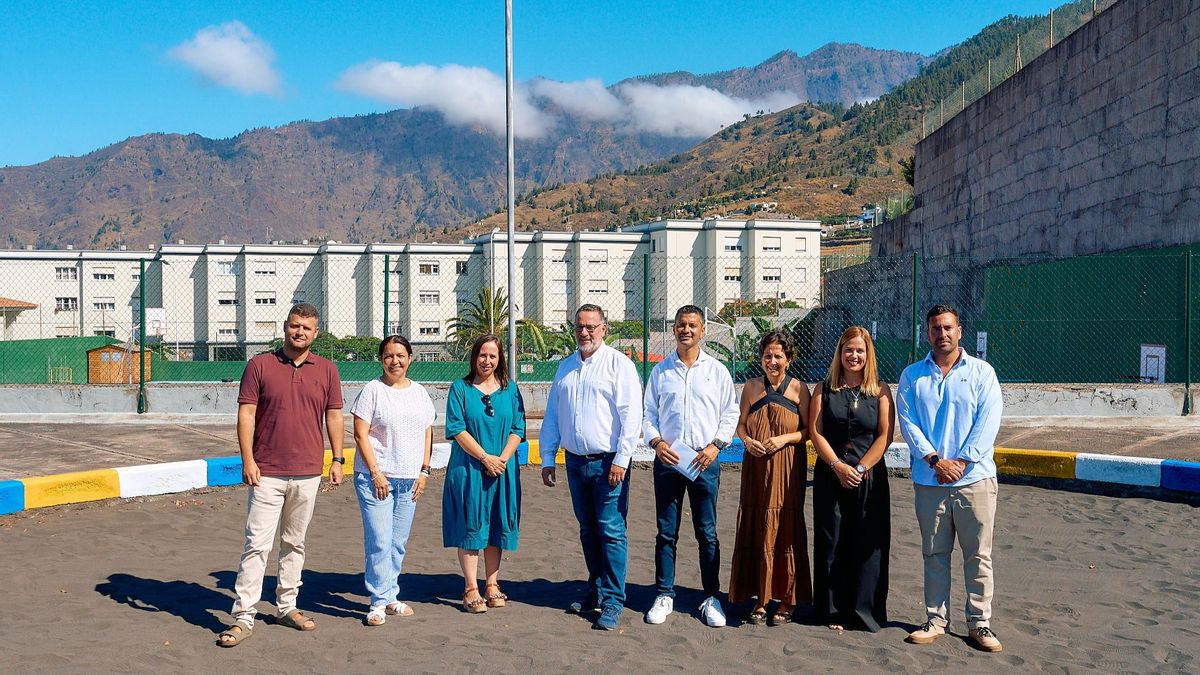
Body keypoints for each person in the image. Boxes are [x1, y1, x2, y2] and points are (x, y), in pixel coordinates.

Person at [218, 303, 344, 647]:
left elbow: (333, 416)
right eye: (294, 325)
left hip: (307, 473)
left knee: (294, 543)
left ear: (316, 333)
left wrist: (337, 459)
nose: (299, 331)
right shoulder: (260, 365)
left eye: (306, 327)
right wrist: (248, 459)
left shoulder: (328, 370)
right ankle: (244, 616)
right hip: (267, 472)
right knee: (256, 545)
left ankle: (286, 606)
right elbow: (246, 415)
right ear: (285, 327)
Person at [898, 304, 1004, 653]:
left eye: (947, 328)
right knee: (934, 552)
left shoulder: (982, 373)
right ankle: (936, 619)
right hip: (930, 481)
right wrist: (935, 460)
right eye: (934, 328)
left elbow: (987, 423)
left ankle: (979, 623)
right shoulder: (912, 376)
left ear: (960, 331)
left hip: (975, 481)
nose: (941, 334)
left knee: (978, 555)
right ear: (926, 333)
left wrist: (959, 461)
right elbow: (909, 424)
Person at [540, 304, 642, 631]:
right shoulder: (566, 368)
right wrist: (546, 457)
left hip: (609, 462)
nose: (584, 332)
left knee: (611, 530)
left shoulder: (619, 366)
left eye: (591, 326)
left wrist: (623, 459)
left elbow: (631, 416)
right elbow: (554, 415)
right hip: (574, 462)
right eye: (579, 326)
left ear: (604, 328)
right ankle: (595, 588)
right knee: (587, 529)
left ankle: (612, 600)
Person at [642, 305, 738, 627]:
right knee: (666, 533)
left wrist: (715, 446)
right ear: (673, 330)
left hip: (704, 461)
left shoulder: (717, 371)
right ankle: (665, 593)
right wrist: (656, 442)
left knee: (707, 533)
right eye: (681, 325)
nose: (686, 330)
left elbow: (730, 414)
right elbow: (648, 415)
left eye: (693, 325)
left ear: (703, 330)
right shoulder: (661, 372)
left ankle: (712, 597)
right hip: (668, 460)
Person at [809, 326, 894, 633]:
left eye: (860, 350)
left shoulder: (880, 390)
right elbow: (815, 431)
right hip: (831, 474)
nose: (853, 355)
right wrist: (836, 466)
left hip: (868, 477)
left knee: (867, 543)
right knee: (831, 541)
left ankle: (864, 611)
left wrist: (858, 469)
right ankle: (832, 611)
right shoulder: (824, 388)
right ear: (839, 353)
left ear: (868, 354)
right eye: (848, 350)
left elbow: (884, 435)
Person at [350, 335, 436, 627]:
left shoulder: (420, 393)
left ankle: (390, 596)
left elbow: (427, 431)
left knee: (397, 542)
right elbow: (360, 433)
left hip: (409, 479)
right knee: (379, 540)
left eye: (401, 355)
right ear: (381, 359)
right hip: (376, 479)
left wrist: (424, 471)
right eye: (388, 355)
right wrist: (376, 473)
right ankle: (376, 601)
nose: (395, 361)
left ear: (410, 358)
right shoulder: (372, 390)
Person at [728, 329, 812, 626]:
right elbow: (740, 425)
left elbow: (809, 432)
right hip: (756, 468)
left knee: (785, 528)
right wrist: (747, 441)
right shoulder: (751, 387)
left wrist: (784, 439)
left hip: (787, 467)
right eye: (767, 355)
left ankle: (787, 600)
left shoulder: (800, 390)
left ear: (789, 359)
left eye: (778, 356)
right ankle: (761, 600)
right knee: (758, 526)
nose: (772, 361)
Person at [443, 334, 526, 614]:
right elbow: (456, 428)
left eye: (492, 355)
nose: (487, 361)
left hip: (502, 468)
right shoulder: (460, 389)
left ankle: (492, 584)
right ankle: (470, 588)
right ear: (474, 357)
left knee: (495, 525)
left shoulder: (510, 390)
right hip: (469, 468)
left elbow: (517, 427)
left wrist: (501, 459)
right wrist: (484, 457)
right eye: (482, 355)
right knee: (471, 525)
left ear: (499, 358)